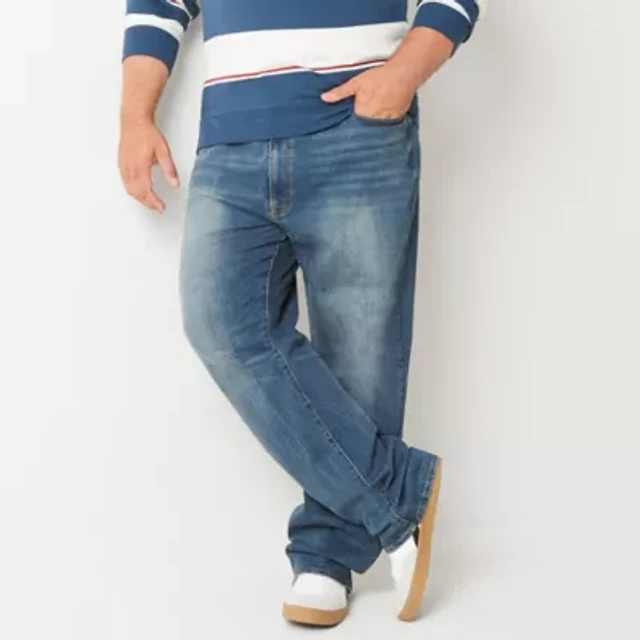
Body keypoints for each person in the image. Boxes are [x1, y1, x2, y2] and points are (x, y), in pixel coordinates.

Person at [118, 0, 484, 627]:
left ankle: (327, 557)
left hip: (356, 128)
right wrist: (134, 117)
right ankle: (397, 497)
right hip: (231, 135)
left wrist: (403, 75)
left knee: (360, 350)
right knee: (220, 323)